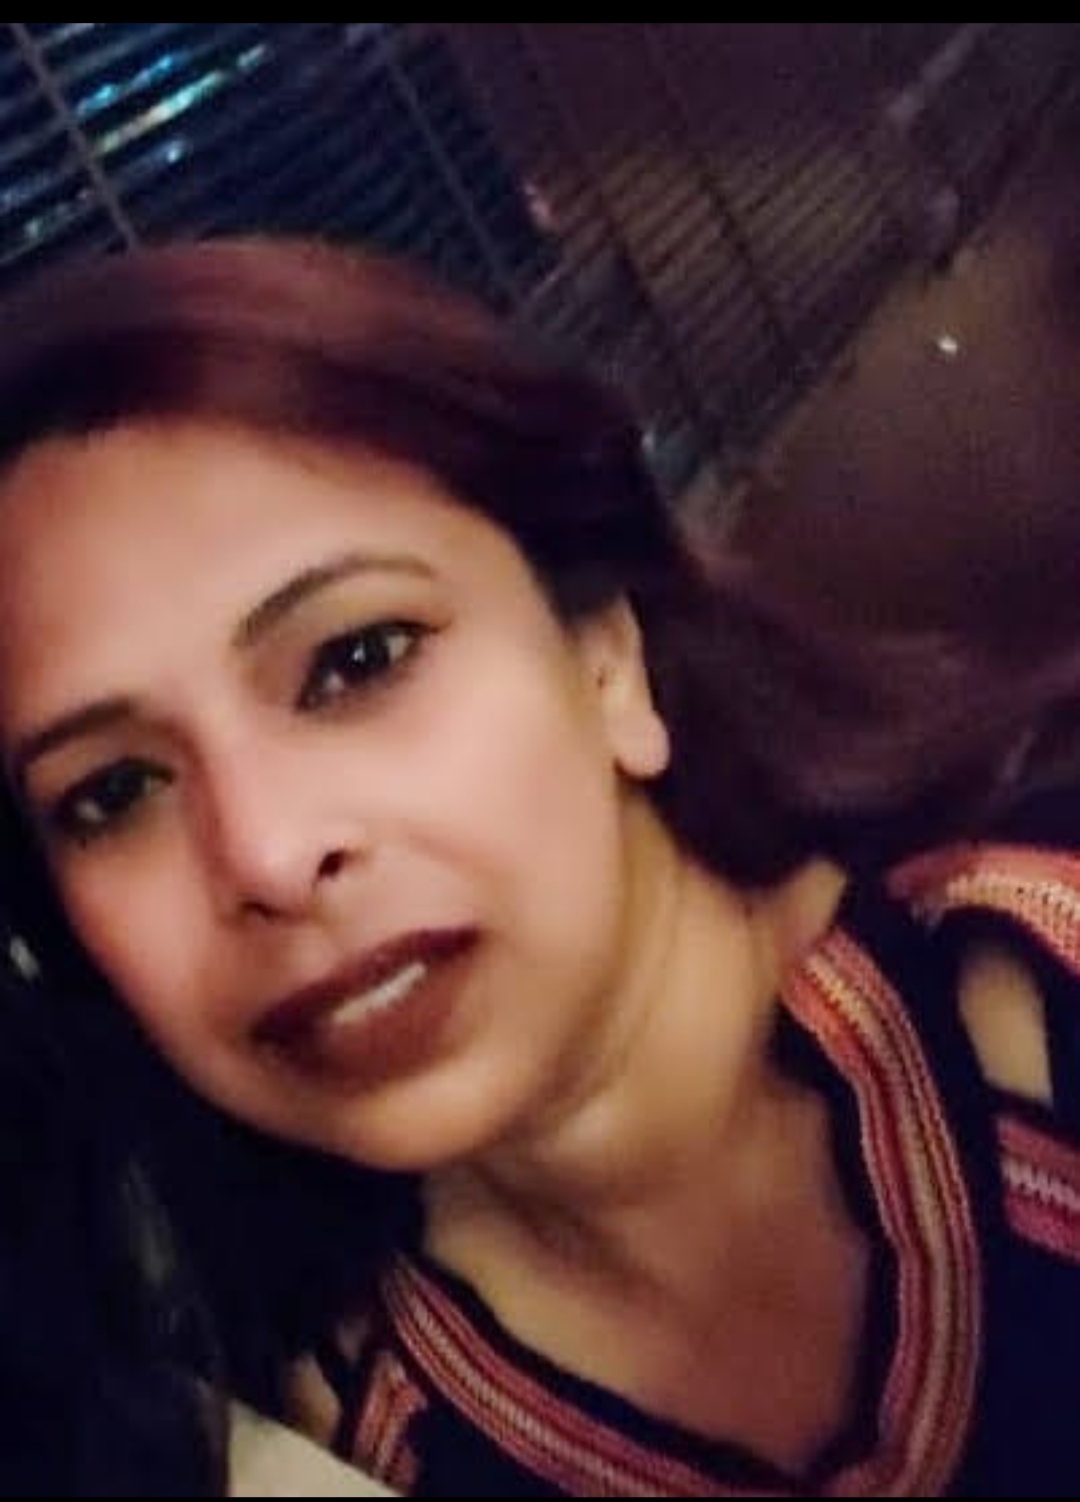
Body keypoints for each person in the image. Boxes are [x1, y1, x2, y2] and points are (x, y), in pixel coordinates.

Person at [0, 235, 1077, 1498]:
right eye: (113, 792)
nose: (270, 855)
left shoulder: (1043, 969)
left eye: (358, 658)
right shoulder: (332, 1431)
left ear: (606, 655)